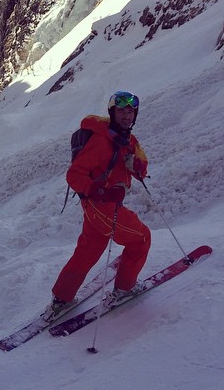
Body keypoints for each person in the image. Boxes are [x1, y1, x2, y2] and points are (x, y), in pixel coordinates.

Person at [44, 91, 151, 319]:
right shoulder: (102, 141)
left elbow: (140, 165)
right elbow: (74, 174)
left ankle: (61, 298)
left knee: (88, 251)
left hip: (95, 208)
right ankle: (124, 289)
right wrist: (101, 191)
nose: (126, 115)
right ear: (112, 112)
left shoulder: (126, 139)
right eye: (121, 111)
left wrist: (137, 167)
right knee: (141, 238)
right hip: (104, 206)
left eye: (130, 111)